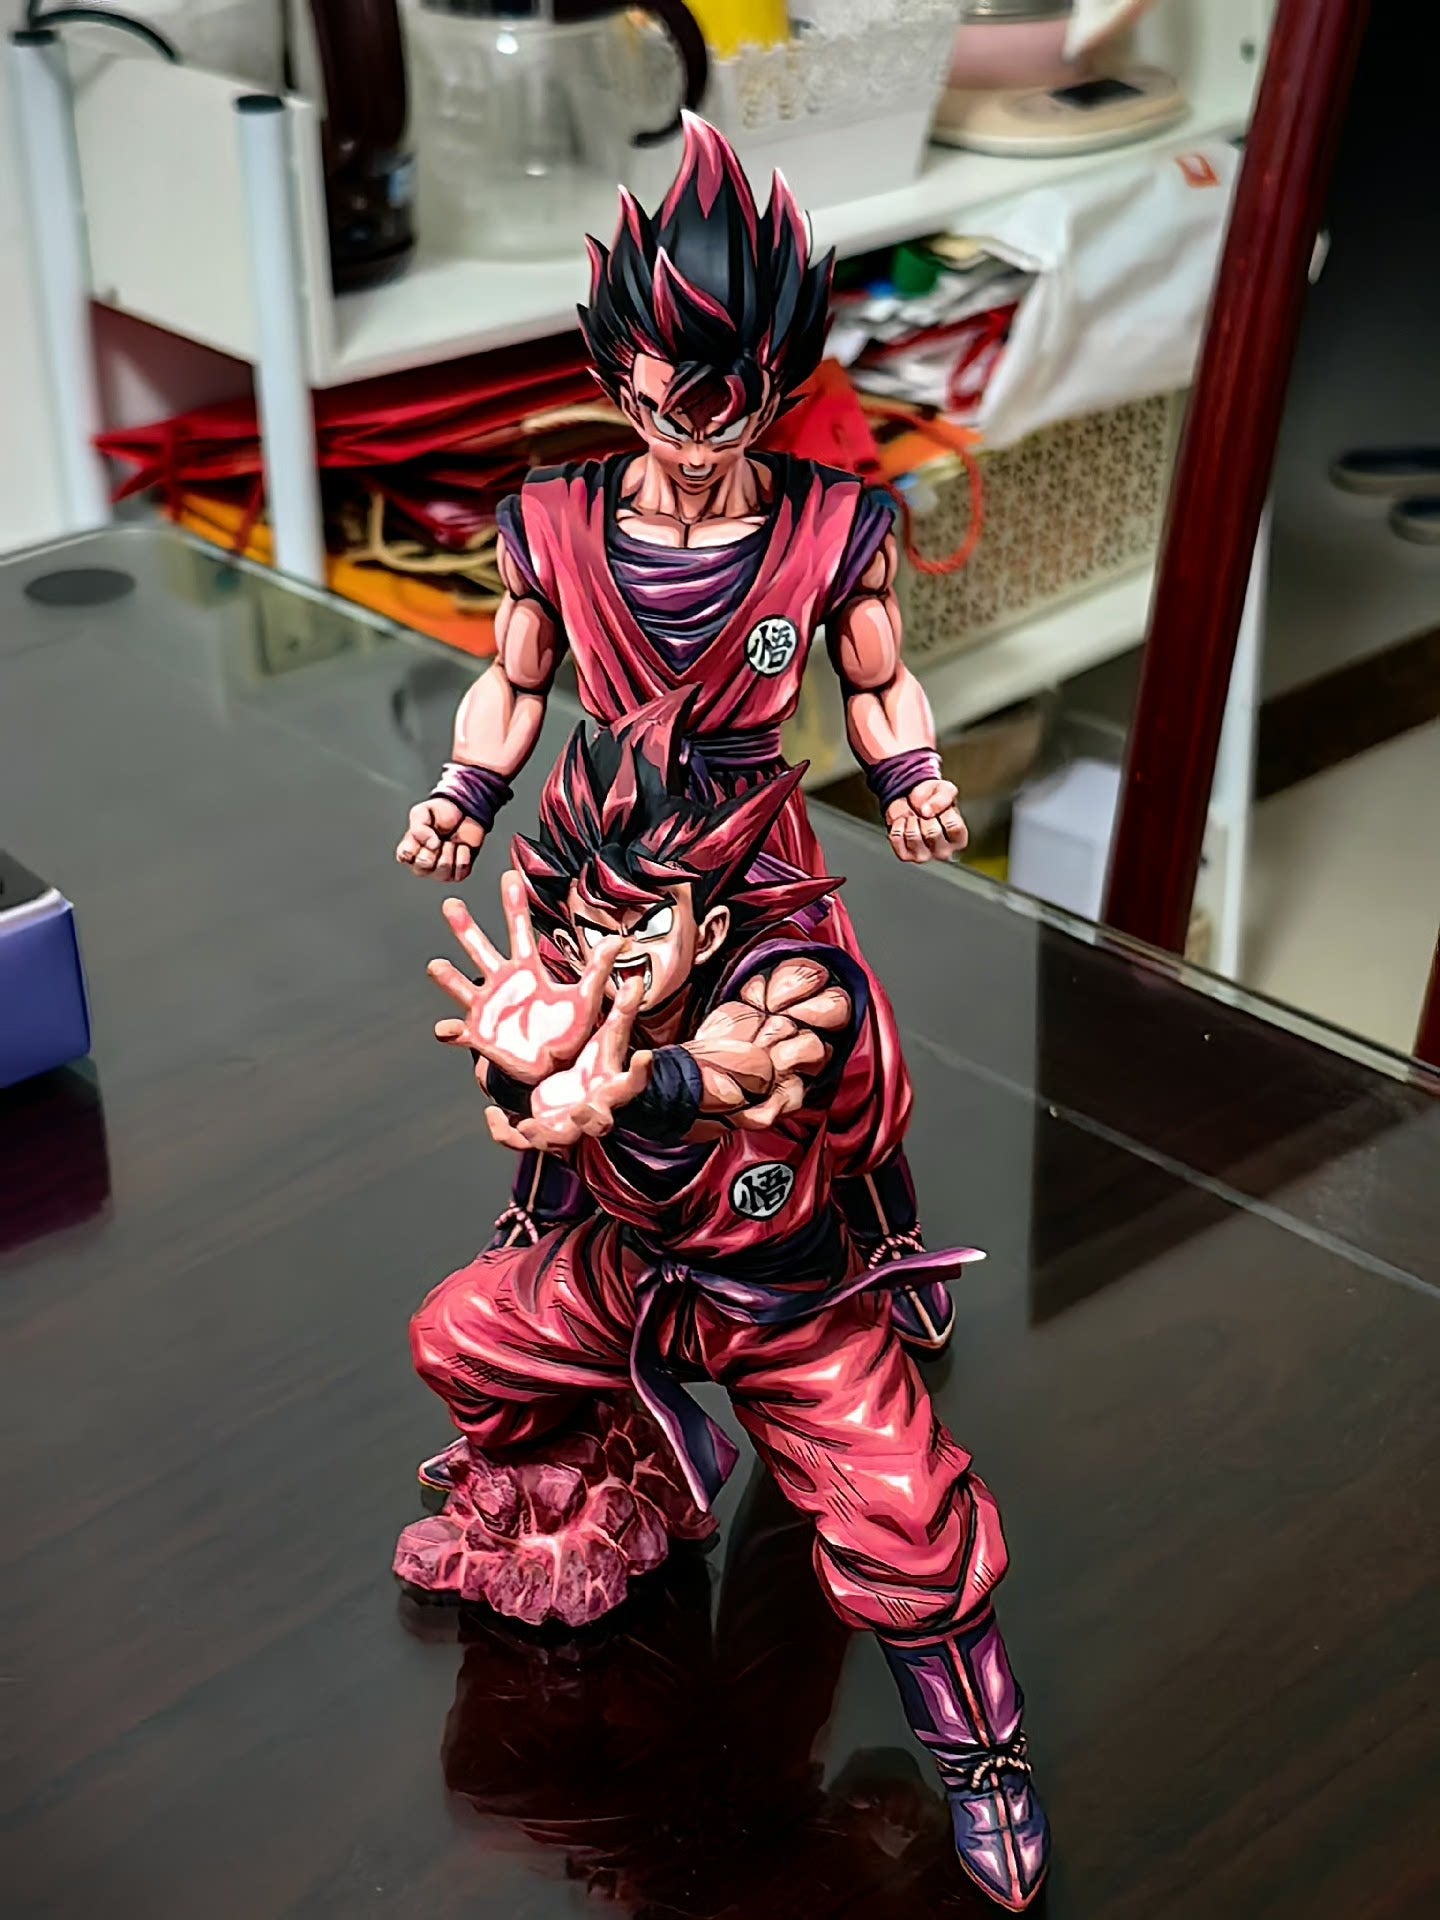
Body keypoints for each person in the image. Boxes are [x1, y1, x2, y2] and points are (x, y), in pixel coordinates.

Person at [394, 697, 1049, 1913]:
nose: (612, 956)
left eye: (643, 924)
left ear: (710, 904)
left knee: (911, 1525)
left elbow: (753, 1067)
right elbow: (531, 1076)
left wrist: (637, 1081)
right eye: (589, 926)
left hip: (792, 1313)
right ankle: (582, 1468)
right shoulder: (564, 977)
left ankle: (983, 1763)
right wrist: (523, 1072)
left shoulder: (796, 976)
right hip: (635, 1283)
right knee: (462, 1334)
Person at [396, 115, 962, 1359]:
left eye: (727, 413)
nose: (697, 445)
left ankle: (880, 1226)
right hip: (605, 823)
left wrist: (912, 778)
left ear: (776, 387)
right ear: (622, 382)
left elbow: (878, 679)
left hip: (754, 829)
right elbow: (514, 679)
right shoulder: (554, 519)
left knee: (840, 1040)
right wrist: (464, 790)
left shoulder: (832, 522)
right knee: (561, 1019)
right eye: (669, 411)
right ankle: (548, 1217)